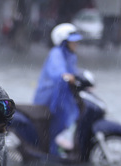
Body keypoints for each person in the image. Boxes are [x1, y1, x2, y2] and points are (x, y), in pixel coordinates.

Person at [32, 23, 83, 156]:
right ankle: (53, 155)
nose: (76, 43)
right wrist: (65, 76)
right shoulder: (56, 53)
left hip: (64, 96)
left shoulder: (71, 56)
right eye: (73, 41)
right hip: (51, 97)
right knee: (56, 128)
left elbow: (75, 73)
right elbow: (58, 71)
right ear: (64, 42)